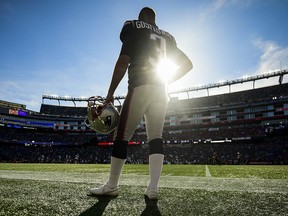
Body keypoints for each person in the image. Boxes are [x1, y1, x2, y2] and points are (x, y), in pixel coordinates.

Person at [89, 7, 193, 200]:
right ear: (155, 20)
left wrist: (110, 93)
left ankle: (112, 186)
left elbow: (123, 61)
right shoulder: (167, 36)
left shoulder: (134, 27)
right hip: (162, 91)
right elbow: (188, 64)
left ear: (140, 17)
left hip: (140, 86)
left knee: (121, 135)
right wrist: (167, 81)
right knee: (155, 137)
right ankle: (152, 189)